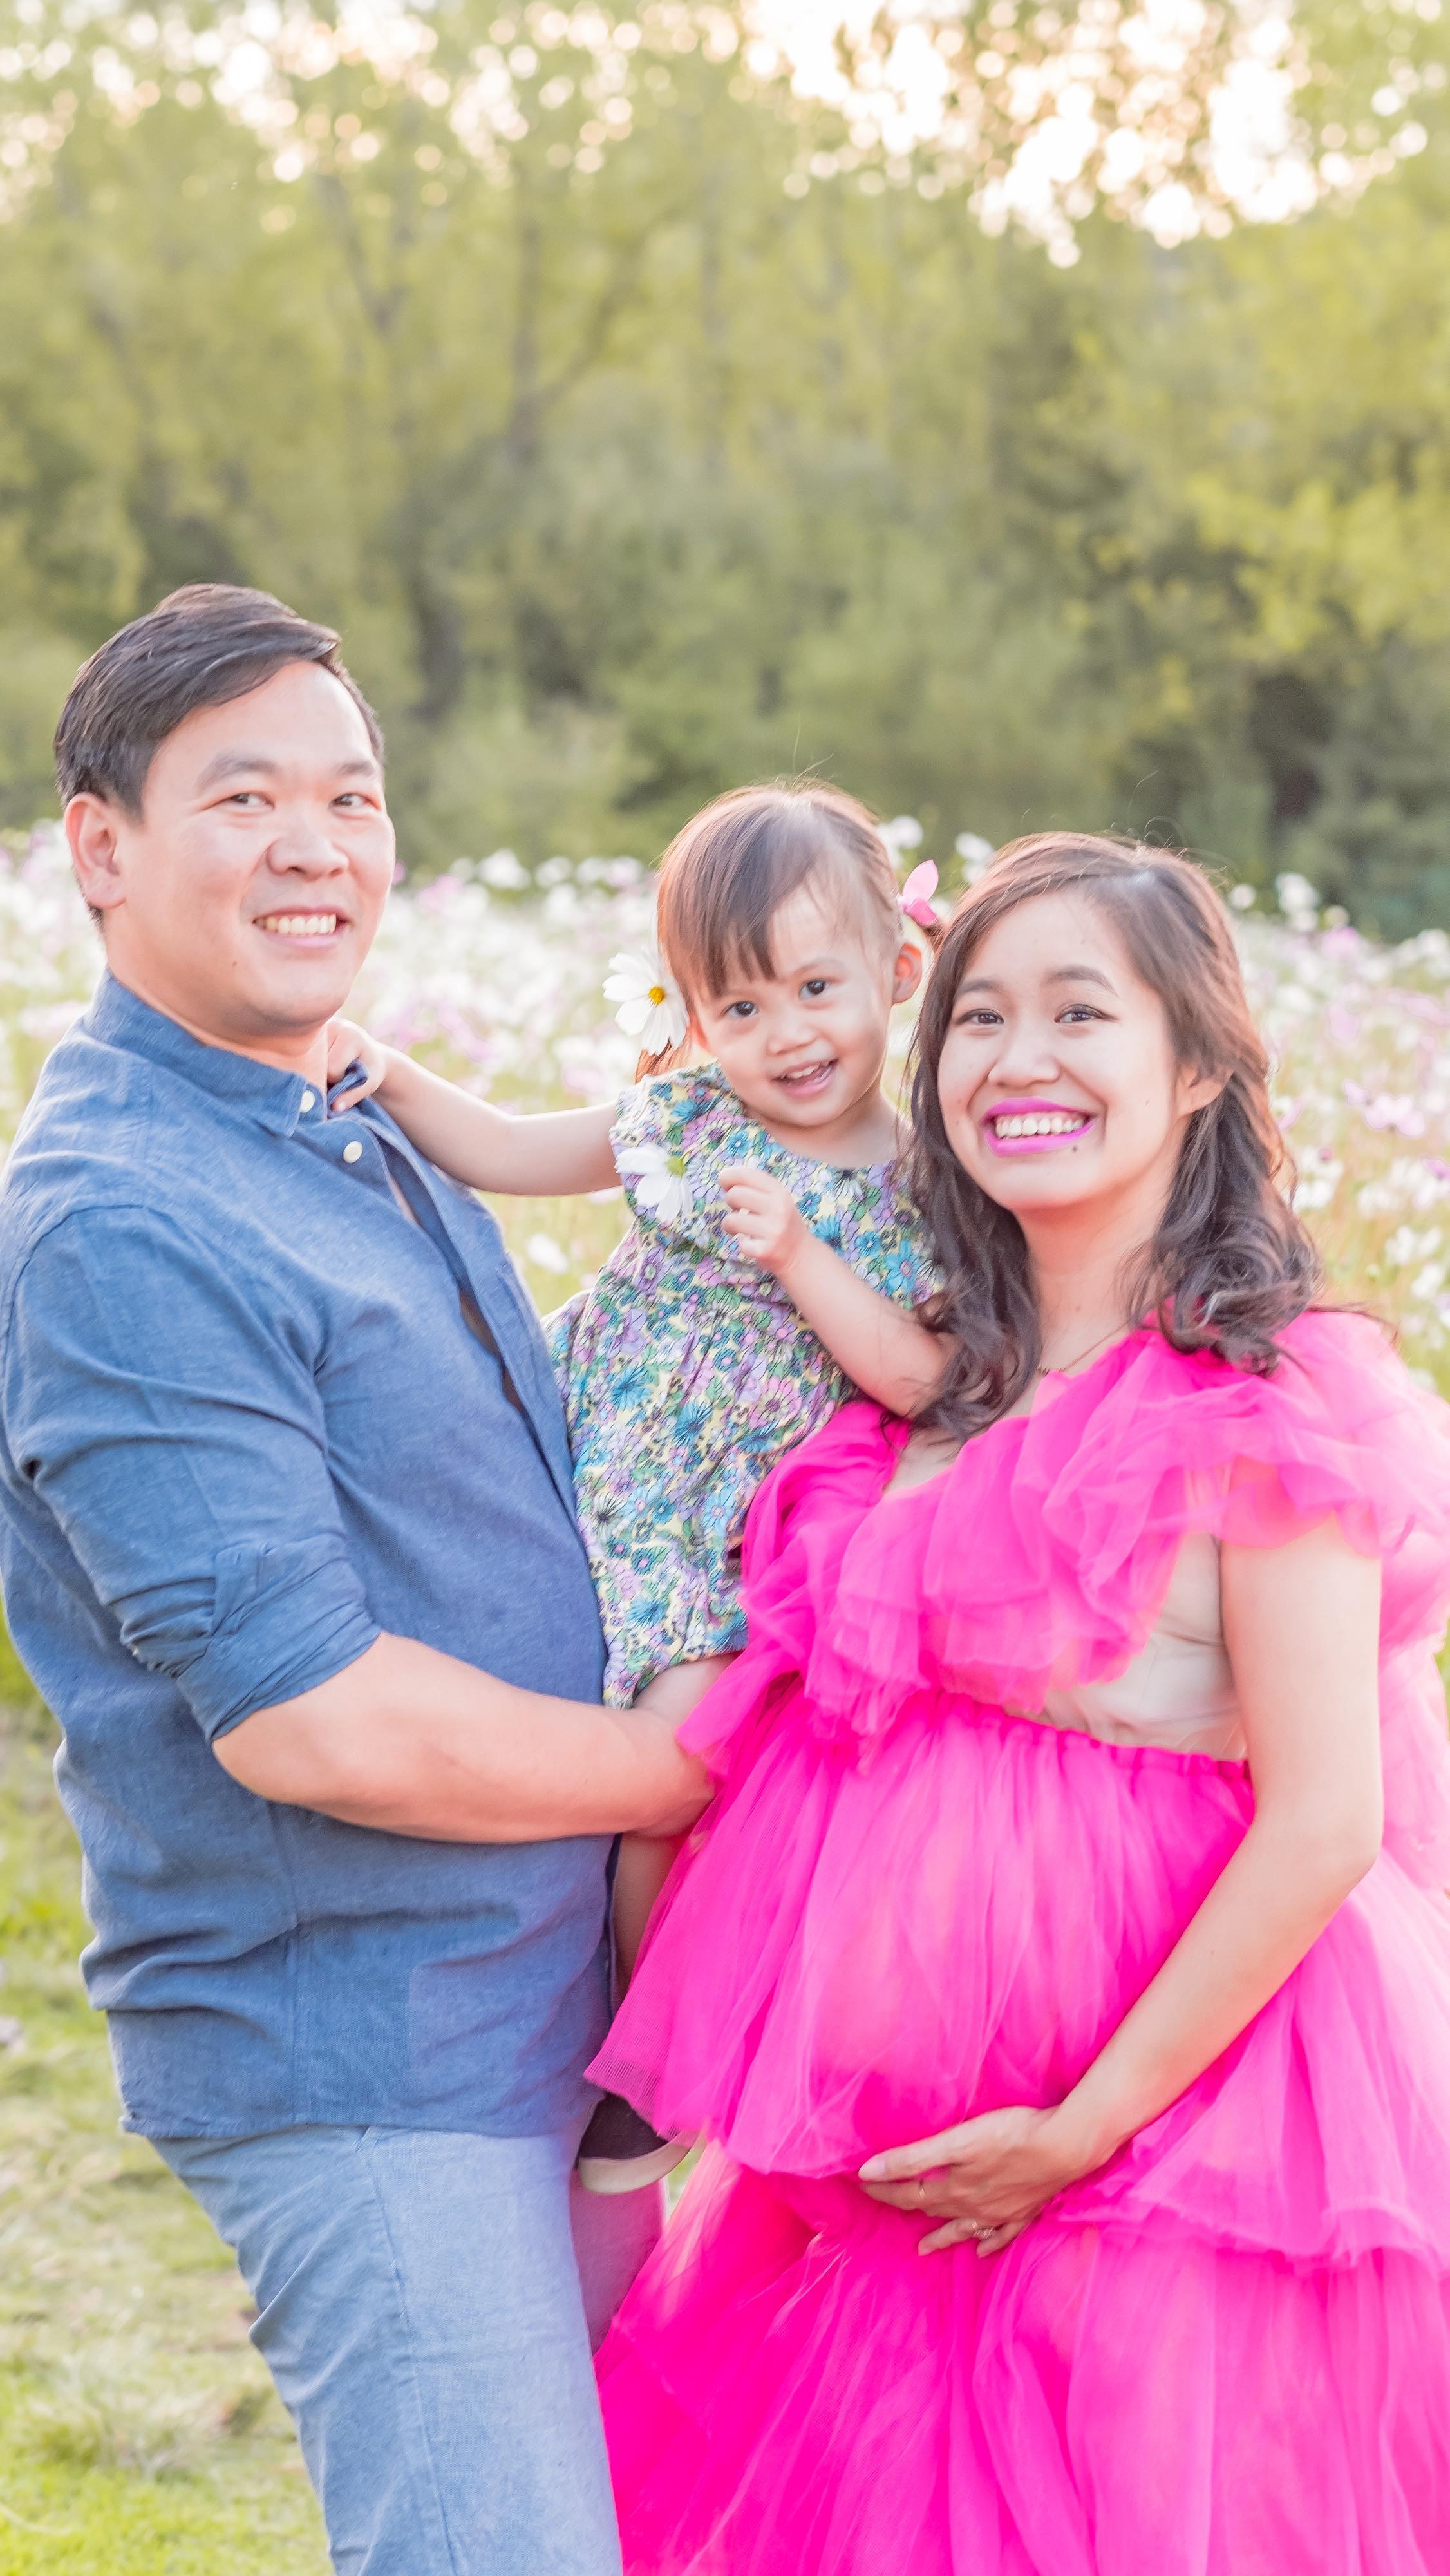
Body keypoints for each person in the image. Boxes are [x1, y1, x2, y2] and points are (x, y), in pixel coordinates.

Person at [586, 833, 1450, 2575]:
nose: (1015, 1059)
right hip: (874, 2188)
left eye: (1078, 1012)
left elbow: (1322, 1822)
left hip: (1158, 2168)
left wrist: (1076, 2129)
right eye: (978, 1017)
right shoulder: (914, 1373)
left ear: (1193, 1065)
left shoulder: (1258, 1398)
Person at [0, 583, 708, 2576]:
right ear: (102, 847)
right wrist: (693, 1766)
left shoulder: (346, 1119)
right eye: (245, 799)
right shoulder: (121, 1215)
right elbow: (314, 1716)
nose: (315, 846)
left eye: (351, 797)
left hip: (544, 2020)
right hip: (380, 2056)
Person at [330, 782, 943, 2189]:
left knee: (670, 1771)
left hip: (716, 1534)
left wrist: (799, 1255)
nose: (786, 1035)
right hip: (570, 1457)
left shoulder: (924, 1191)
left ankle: (641, 2061)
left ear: (898, 970)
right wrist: (387, 1072)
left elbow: (919, 1378)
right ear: (694, 1015)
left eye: (815, 988)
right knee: (441, 1662)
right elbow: (510, 1150)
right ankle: (411, 1992)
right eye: (740, 1006)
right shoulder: (688, 1121)